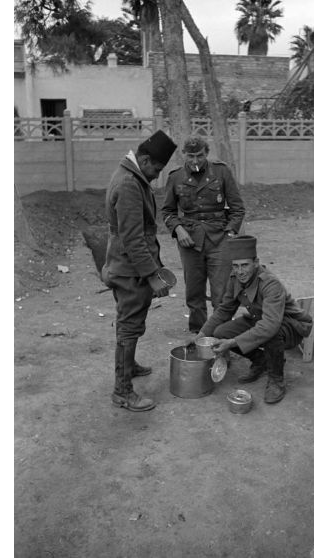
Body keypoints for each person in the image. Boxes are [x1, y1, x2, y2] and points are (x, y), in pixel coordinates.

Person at [101, 130, 177, 412]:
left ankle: (129, 366)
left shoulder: (131, 175)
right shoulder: (130, 184)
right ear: (144, 159)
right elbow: (133, 238)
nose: (157, 175)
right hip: (129, 269)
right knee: (129, 328)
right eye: (156, 169)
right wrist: (153, 276)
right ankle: (122, 392)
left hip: (125, 265)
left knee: (129, 323)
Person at [187, 236, 313, 404]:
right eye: (236, 266)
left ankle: (276, 380)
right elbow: (224, 310)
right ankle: (261, 361)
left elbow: (269, 326)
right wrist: (200, 336)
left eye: (245, 265)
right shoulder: (235, 279)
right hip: (262, 319)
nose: (240, 271)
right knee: (220, 332)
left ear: (256, 262)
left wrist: (231, 343)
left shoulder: (270, 284)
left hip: (292, 326)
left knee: (270, 334)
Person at [161, 135, 245, 333]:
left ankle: (221, 334)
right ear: (184, 155)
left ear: (206, 154)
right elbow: (167, 212)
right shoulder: (175, 177)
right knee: (194, 292)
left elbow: (238, 208)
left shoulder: (221, 172)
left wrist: (230, 233)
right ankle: (199, 334)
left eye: (199, 155)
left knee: (221, 292)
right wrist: (178, 229)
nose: (195, 161)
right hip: (190, 240)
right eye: (190, 156)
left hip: (219, 238)